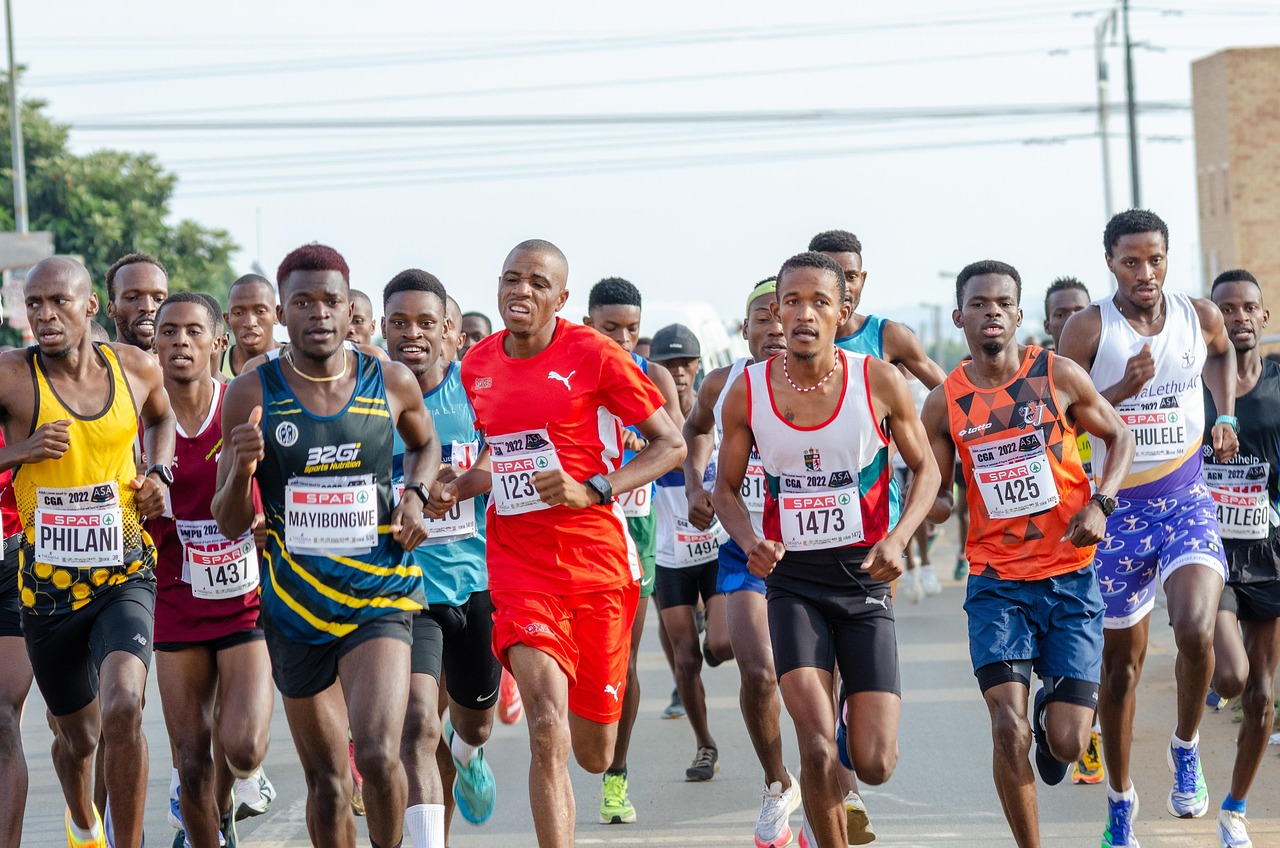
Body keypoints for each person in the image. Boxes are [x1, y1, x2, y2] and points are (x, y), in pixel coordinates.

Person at [436, 238, 684, 848]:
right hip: (518, 568)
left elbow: (669, 444)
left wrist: (594, 488)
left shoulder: (595, 356)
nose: (521, 291)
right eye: (511, 279)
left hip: (598, 567)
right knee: (547, 727)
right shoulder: (477, 366)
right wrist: (465, 481)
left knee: (595, 753)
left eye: (537, 284)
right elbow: (504, 452)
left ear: (562, 298)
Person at [212, 242, 441, 848]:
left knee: (377, 752)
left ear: (348, 310)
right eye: (303, 302)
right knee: (329, 783)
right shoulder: (251, 392)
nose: (319, 314)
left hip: (380, 593)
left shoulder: (387, 379)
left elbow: (425, 444)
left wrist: (415, 495)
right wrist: (240, 470)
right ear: (281, 314)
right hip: (296, 608)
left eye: (332, 301)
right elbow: (229, 521)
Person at [715, 251, 938, 848]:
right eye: (791, 302)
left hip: (864, 578)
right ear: (776, 313)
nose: (804, 313)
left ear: (845, 312)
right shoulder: (749, 391)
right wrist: (748, 540)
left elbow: (928, 471)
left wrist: (899, 536)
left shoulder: (878, 380)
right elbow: (725, 490)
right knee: (813, 750)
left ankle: (852, 724)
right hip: (792, 582)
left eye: (819, 302)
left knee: (874, 763)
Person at [922, 260, 1134, 848]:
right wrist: (929, 507)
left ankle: (1053, 721)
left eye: (1002, 301)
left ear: (1018, 314)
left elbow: (1120, 436)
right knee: (1005, 726)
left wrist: (1102, 503)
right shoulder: (944, 404)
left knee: (1066, 742)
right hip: (996, 582)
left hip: (1069, 576)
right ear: (961, 314)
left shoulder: (1058, 376)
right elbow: (936, 491)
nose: (991, 310)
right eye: (979, 302)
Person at [1059, 209, 1238, 847]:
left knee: (1194, 628)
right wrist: (1118, 388)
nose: (1145, 273)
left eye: (1155, 259)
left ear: (1168, 258)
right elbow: (1060, 424)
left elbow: (1222, 357)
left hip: (1185, 497)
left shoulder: (1199, 316)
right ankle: (1119, 801)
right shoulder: (1086, 329)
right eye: (1131, 261)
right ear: (1110, 262)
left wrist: (1225, 414)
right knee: (1122, 670)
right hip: (1118, 511)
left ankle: (1185, 745)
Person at [0, 256, 175, 848]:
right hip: (47, 587)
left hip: (124, 569)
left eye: (58, 303)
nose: (45, 316)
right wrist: (19, 451)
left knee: (125, 705)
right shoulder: (11, 377)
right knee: (78, 736)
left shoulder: (135, 368)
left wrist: (160, 473)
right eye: (34, 306)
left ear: (90, 307)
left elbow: (161, 418)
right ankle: (82, 821)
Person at [684, 277, 806, 848]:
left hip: (816, 551)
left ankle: (836, 784)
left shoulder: (829, 380)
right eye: (763, 317)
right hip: (744, 547)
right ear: (746, 328)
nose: (776, 327)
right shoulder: (723, 382)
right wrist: (695, 484)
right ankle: (776, 784)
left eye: (785, 314)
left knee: (816, 682)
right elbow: (694, 429)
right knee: (757, 672)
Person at [381, 270, 500, 848]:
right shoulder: (367, 396)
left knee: (471, 721)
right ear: (381, 327)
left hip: (477, 580)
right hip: (407, 589)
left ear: (449, 330)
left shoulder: (476, 392)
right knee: (416, 727)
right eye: (399, 322)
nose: (412, 334)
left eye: (426, 322)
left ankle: (470, 749)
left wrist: (465, 484)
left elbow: (513, 464)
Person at [150, 294, 274, 848]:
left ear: (218, 342)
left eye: (194, 331)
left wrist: (270, 520)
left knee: (243, 748)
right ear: (152, 345)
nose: (180, 341)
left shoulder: (241, 406)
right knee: (191, 762)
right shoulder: (140, 424)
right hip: (174, 600)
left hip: (243, 598)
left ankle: (225, 806)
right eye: (168, 332)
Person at [582, 276, 685, 824]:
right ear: (586, 324)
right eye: (610, 328)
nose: (622, 339)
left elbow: (672, 444)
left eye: (631, 330)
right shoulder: (571, 372)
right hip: (572, 534)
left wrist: (625, 463)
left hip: (634, 534)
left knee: (619, 659)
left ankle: (615, 779)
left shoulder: (655, 376)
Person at [809, 230, 947, 599]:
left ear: (863, 279)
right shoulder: (791, 343)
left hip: (876, 514)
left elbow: (953, 397)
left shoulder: (889, 337)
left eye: (850, 276)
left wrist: (915, 443)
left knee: (864, 631)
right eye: (831, 275)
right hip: (805, 510)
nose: (843, 287)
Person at [1202, 269, 1280, 848]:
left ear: (1264, 317)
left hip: (1269, 549)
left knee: (1263, 696)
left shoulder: (1279, 382)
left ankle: (1234, 808)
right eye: (1225, 309)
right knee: (1234, 673)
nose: (1239, 318)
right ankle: (1199, 684)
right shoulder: (1194, 384)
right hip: (1209, 549)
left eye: (1248, 308)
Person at [648, 323, 732, 782]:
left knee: (719, 643)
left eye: (686, 363)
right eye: (667, 364)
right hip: (670, 557)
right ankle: (705, 744)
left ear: (698, 365)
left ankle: (718, 632)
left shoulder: (717, 411)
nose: (678, 373)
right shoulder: (644, 420)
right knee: (685, 659)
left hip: (718, 547)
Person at [1042, 275, 1106, 786]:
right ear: (1047, 324)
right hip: (1053, 533)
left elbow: (1116, 426)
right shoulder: (1042, 377)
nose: (1071, 322)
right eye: (1061, 315)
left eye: (1080, 312)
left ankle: (1086, 727)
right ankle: (1060, 711)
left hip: (1110, 513)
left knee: (1106, 636)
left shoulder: (1111, 357)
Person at [106, 253, 168, 352]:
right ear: (111, 308)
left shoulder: (185, 365)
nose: (148, 307)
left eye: (159, 299)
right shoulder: (97, 366)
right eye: (132, 297)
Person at [222, 274, 281, 378]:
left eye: (260, 311)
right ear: (227, 320)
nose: (250, 323)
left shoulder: (296, 361)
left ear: (277, 314)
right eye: (239, 313)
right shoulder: (213, 364)